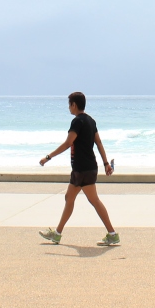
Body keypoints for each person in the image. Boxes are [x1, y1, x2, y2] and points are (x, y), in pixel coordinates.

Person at [38, 92, 119, 246]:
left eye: (69, 105)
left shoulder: (77, 122)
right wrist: (105, 163)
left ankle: (112, 234)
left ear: (74, 105)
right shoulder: (91, 121)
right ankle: (57, 234)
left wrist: (48, 157)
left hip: (81, 169)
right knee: (71, 198)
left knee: (90, 200)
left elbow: (68, 143)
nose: (69, 108)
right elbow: (99, 142)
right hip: (89, 167)